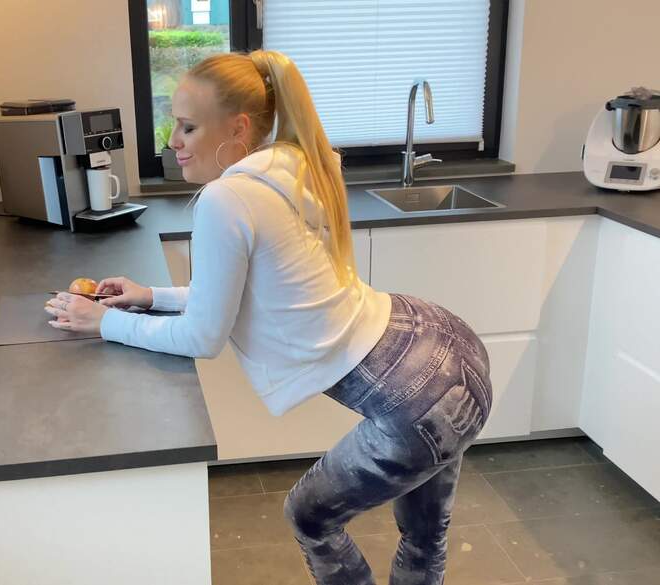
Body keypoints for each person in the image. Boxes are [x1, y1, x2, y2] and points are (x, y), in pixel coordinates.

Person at [45, 49, 492, 585]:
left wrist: (104, 323)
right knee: (424, 535)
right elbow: (247, 290)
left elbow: (203, 336)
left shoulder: (226, 198)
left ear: (237, 128)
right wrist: (151, 296)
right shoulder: (291, 163)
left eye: (188, 127)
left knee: (310, 517)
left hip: (418, 398)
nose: (172, 142)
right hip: (447, 344)